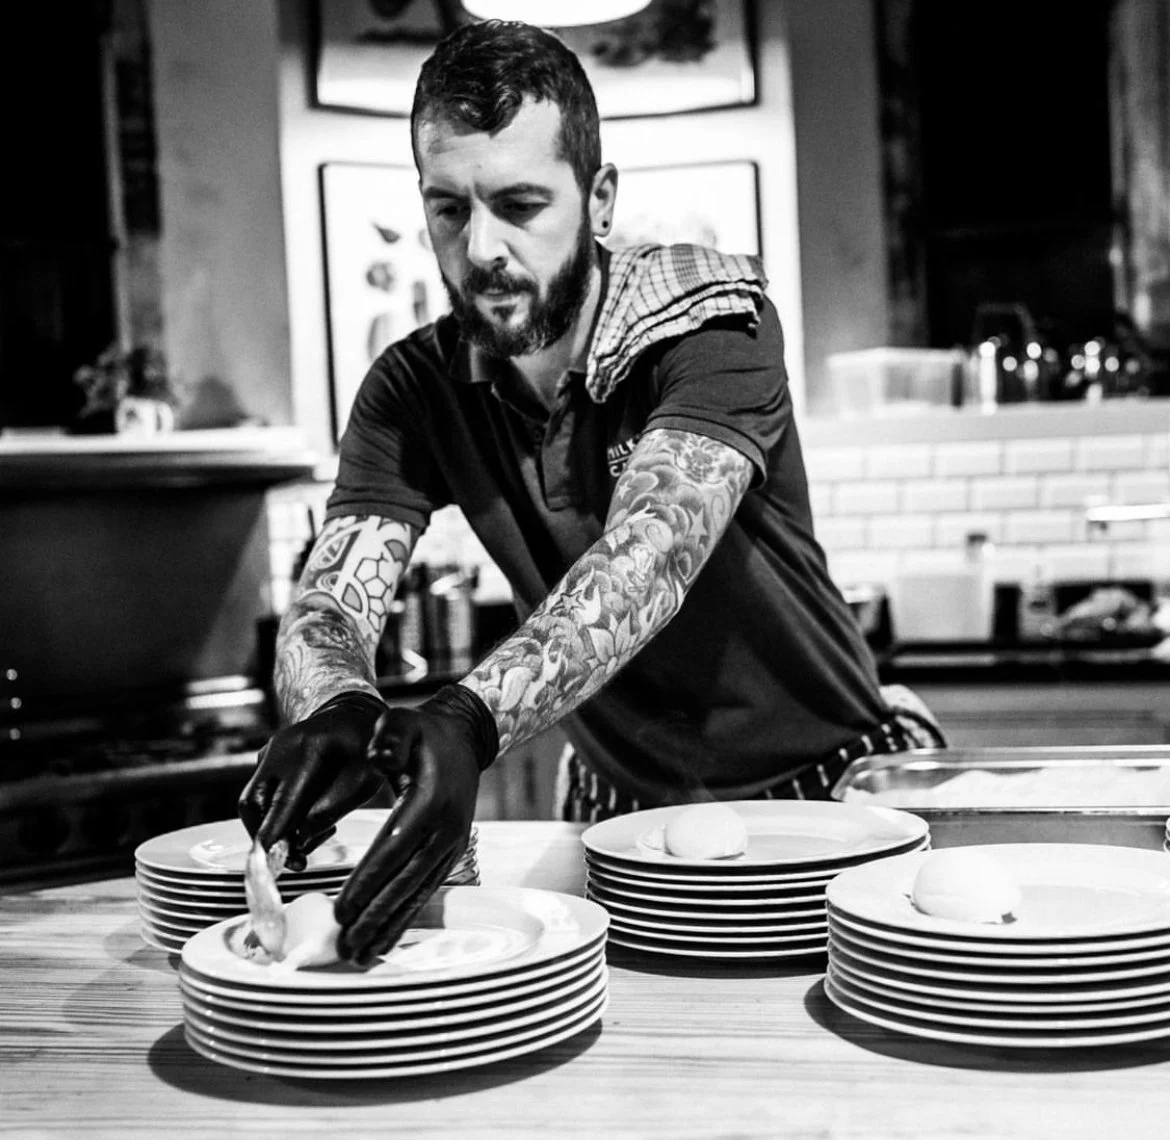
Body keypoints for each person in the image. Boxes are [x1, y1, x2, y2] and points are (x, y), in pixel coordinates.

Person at [238, 19, 945, 966]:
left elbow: (647, 556)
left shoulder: (711, 329)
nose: (482, 247)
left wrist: (465, 720)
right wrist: (332, 707)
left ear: (600, 199)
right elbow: (332, 596)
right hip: (615, 818)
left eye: (520, 204)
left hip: (826, 797)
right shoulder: (411, 391)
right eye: (449, 209)